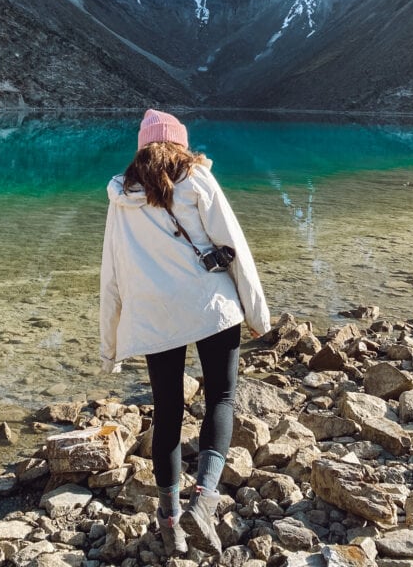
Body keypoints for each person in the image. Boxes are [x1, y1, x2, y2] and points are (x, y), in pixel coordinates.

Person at [100, 109, 271, 557]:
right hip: (211, 307)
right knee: (220, 397)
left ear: (140, 148)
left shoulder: (122, 196)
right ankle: (205, 499)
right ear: (181, 143)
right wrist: (257, 314)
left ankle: (171, 519)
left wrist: (110, 344)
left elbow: (111, 272)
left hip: (154, 316)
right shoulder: (196, 179)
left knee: (168, 408)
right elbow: (235, 247)